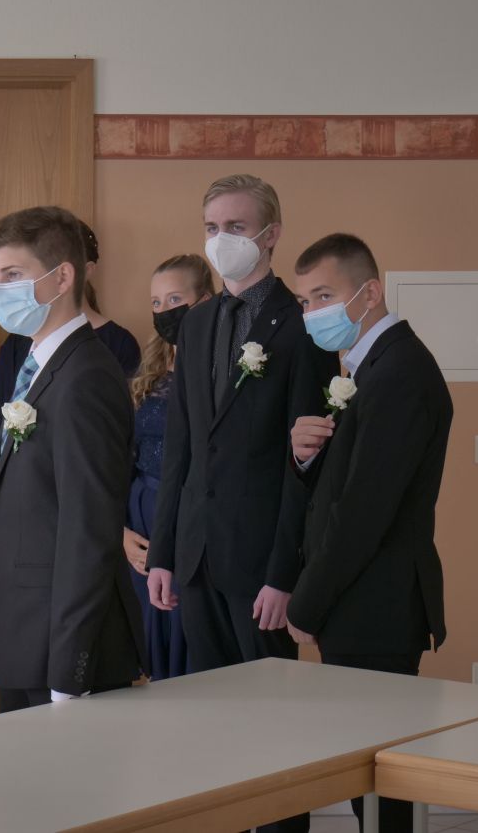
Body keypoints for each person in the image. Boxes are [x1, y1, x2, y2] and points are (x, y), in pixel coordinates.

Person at [146, 175, 336, 833]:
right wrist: (163, 553)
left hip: (260, 562)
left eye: (235, 227)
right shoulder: (196, 323)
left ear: (270, 234)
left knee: (273, 729)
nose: (220, 239)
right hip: (197, 554)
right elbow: (180, 451)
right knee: (215, 727)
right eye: (211, 228)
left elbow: (305, 465)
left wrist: (285, 573)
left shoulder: (301, 325)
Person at [288, 233, 451, 833]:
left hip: (375, 602)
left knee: (381, 785)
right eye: (305, 301)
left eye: (324, 296)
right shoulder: (370, 366)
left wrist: (307, 601)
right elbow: (347, 482)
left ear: (370, 292)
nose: (313, 312)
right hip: (360, 597)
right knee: (368, 781)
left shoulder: (400, 371)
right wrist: (306, 457)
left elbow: (364, 510)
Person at [0, 206, 144, 712]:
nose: (0, 291)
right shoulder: (37, 364)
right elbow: (13, 519)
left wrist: (69, 671)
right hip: (19, 636)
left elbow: (88, 531)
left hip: (62, 652)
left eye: (13, 275)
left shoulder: (87, 376)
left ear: (63, 277)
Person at [124, 254, 214, 680]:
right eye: (156, 302)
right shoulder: (151, 370)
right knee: (148, 640)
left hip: (191, 517)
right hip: (141, 517)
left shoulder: (221, 368)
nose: (164, 311)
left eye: (174, 299)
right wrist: (120, 531)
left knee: (190, 637)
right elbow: (125, 456)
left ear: (204, 301)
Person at [0, 220, 139, 460]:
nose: (2, 289)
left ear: (70, 273)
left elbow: (108, 445)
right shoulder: (18, 343)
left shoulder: (115, 345)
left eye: (13, 274)